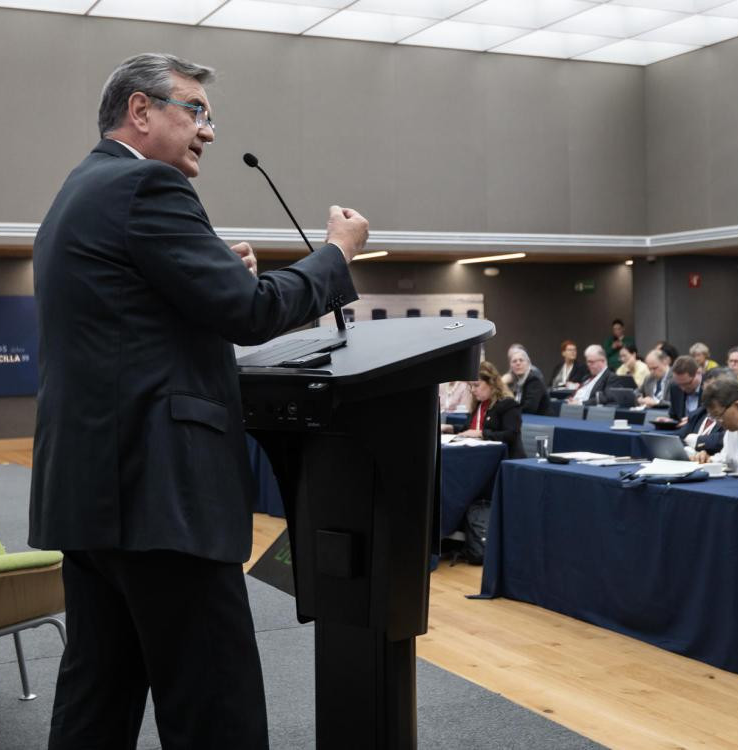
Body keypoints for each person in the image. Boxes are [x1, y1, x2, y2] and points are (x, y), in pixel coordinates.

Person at [29, 53, 369, 749]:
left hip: (94, 496)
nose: (208, 131)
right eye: (195, 110)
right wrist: (335, 255)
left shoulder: (81, 189)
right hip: (162, 500)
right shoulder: (147, 185)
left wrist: (218, 275)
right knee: (217, 712)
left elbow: (138, 322)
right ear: (141, 111)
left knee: (98, 700)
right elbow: (248, 314)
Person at [442, 362, 524, 459]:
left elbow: (511, 435)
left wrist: (481, 433)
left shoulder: (507, 404)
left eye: (476, 385)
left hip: (502, 459)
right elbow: (469, 430)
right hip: (479, 456)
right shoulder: (478, 404)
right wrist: (449, 428)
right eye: (470, 386)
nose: (472, 390)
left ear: (491, 383)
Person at [679, 367, 733, 455]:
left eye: (713, 392)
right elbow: (680, 437)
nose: (708, 396)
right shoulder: (700, 413)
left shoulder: (732, 415)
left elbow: (728, 438)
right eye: (705, 390)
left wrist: (698, 441)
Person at [505, 345, 547, 415]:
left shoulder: (534, 380)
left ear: (528, 363)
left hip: (542, 421)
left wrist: (509, 411)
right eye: (514, 361)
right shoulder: (517, 380)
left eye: (521, 360)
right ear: (510, 366)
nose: (518, 363)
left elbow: (529, 409)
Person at [666, 355, 702, 422]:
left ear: (698, 373)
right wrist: (668, 421)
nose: (683, 388)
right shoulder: (674, 387)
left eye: (687, 383)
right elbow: (674, 417)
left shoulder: (710, 389)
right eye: (679, 384)